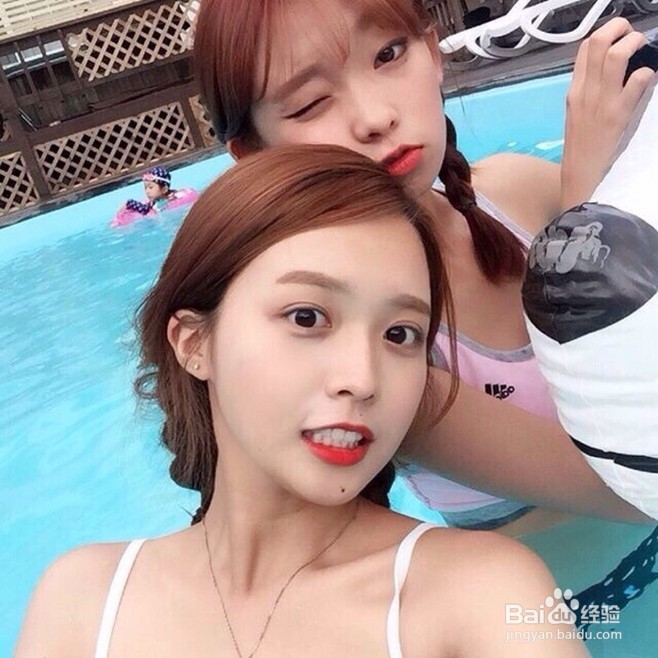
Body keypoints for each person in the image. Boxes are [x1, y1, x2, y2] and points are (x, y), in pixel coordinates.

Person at [191, 0, 657, 636]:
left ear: (433, 54)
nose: (375, 117)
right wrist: (585, 226)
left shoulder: (515, 190)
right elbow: (630, 485)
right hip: (583, 621)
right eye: (310, 103)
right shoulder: (370, 352)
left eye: (388, 55)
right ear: (255, 154)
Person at [15, 145, 586, 656]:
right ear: (194, 342)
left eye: (400, 334)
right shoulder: (82, 602)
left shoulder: (484, 597)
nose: (363, 378)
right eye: (307, 317)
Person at [111, 166, 199, 227]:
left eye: (150, 187)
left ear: (164, 189)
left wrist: (130, 203)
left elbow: (149, 212)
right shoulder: (154, 201)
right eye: (145, 188)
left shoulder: (165, 202)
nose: (147, 191)